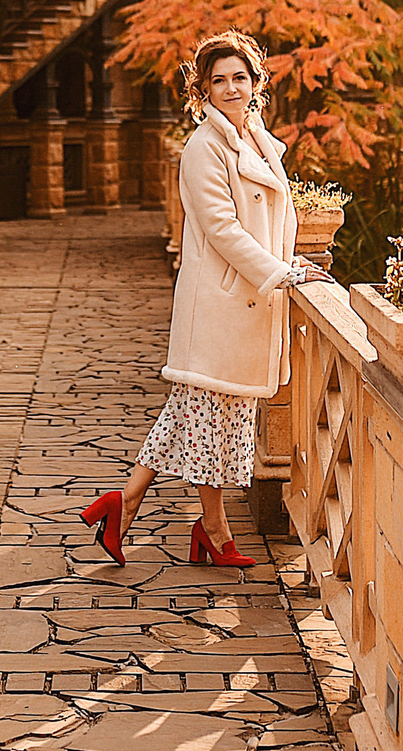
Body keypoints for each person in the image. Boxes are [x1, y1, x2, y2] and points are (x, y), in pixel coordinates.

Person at [81, 30, 324, 569]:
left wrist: (293, 261)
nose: (232, 88)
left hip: (247, 301)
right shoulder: (203, 147)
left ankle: (131, 505)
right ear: (204, 90)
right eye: (219, 81)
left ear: (256, 82)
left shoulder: (258, 139)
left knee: (201, 414)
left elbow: (273, 217)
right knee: (208, 415)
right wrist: (279, 273)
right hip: (221, 303)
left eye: (240, 77)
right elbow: (222, 228)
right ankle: (207, 528)